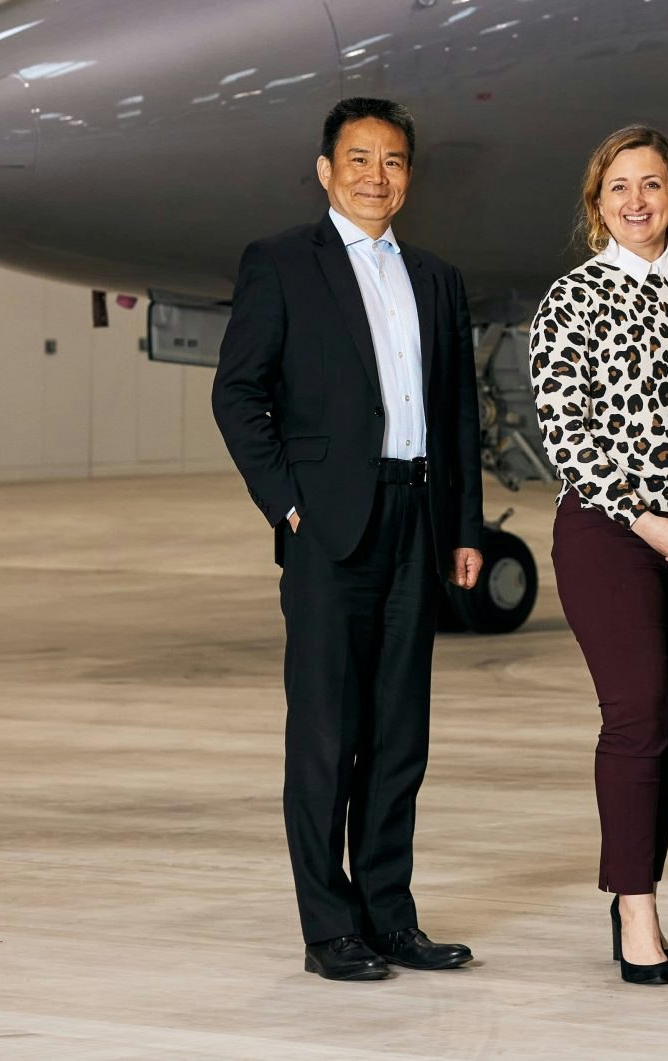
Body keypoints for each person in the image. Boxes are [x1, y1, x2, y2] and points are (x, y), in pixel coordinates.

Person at [212, 97, 485, 983]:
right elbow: (238, 394)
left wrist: (465, 527)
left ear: (410, 175)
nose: (378, 174)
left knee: (402, 731)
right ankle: (328, 927)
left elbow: (454, 418)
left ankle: (388, 914)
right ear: (326, 169)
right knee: (327, 731)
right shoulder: (283, 263)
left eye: (395, 160)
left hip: (415, 518)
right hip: (329, 524)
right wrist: (288, 506)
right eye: (359, 158)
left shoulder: (436, 278)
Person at [529, 125, 668, 986]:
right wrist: (644, 518)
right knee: (636, 712)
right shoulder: (573, 300)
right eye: (618, 188)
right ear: (598, 204)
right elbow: (565, 430)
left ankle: (630, 877)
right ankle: (638, 909)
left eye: (650, 185)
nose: (636, 201)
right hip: (606, 531)